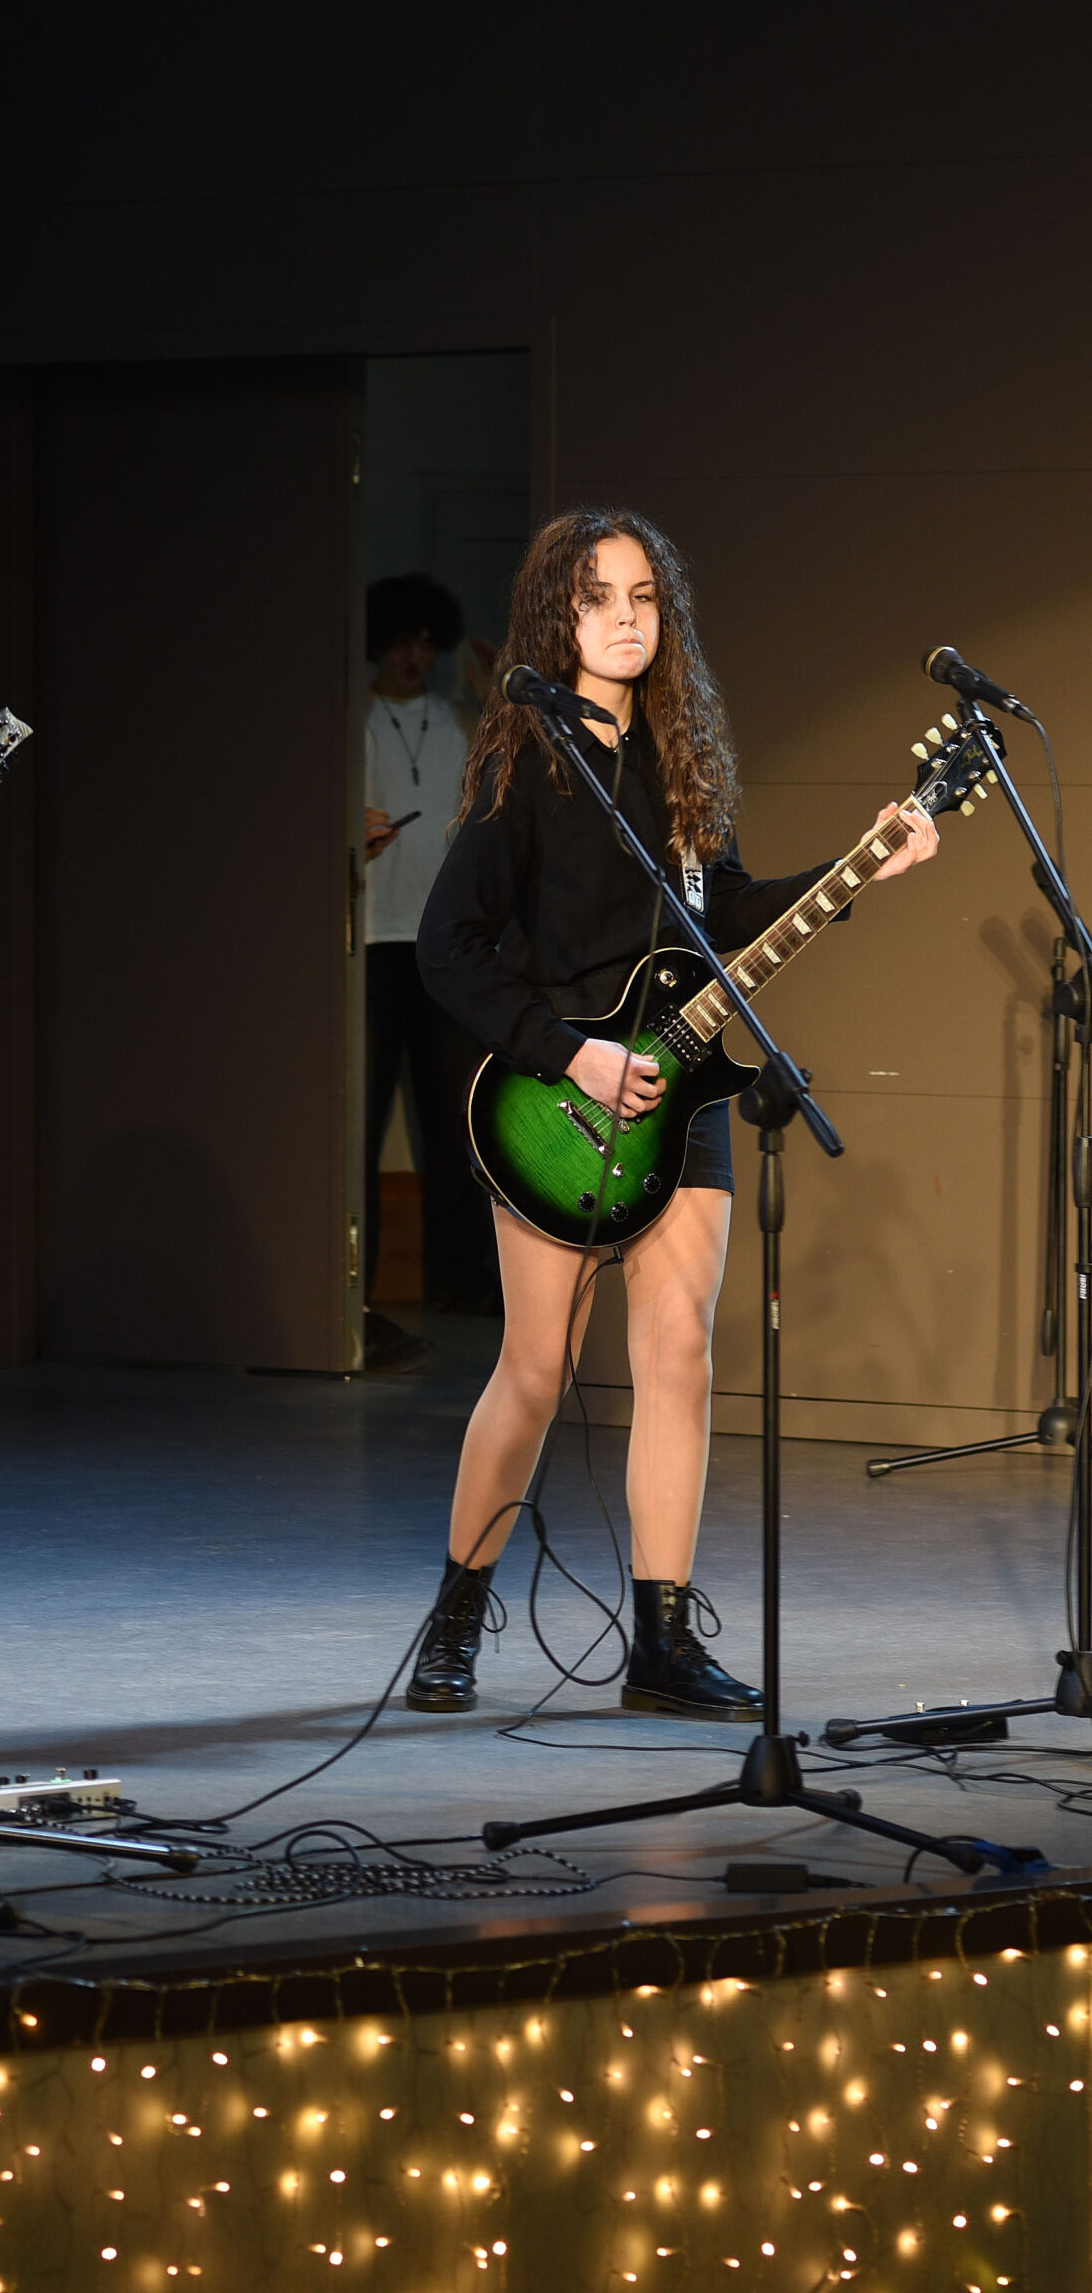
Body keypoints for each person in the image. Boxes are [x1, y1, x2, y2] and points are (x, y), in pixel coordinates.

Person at [404, 509, 937, 1717]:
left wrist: (861, 866)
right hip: (556, 1098)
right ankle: (455, 1615)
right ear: (557, 616)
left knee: (679, 1357)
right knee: (534, 1370)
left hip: (682, 1090)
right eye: (598, 597)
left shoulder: (679, 759)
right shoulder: (526, 763)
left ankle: (660, 1640)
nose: (625, 618)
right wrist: (572, 1053)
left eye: (644, 596)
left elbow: (724, 909)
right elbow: (447, 947)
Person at [361, 574, 501, 1372]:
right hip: (370, 941)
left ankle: (462, 1281)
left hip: (441, 946)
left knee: (456, 1121)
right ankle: (355, 1292)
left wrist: (494, 690)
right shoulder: (352, 721)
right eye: (400, 642)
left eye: (424, 643)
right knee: (363, 1121)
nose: (412, 656)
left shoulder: (458, 720)